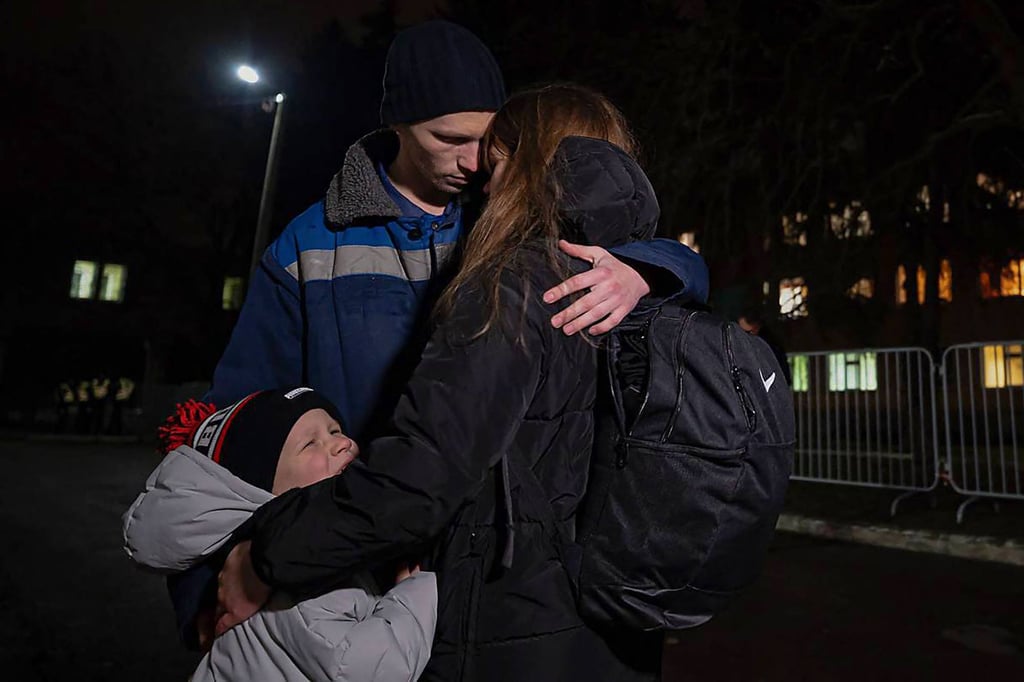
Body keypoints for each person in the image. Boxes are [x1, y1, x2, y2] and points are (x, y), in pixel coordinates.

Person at [214, 84, 677, 681]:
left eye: (497, 160)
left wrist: (267, 555)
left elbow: (421, 478)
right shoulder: (639, 284)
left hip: (511, 624)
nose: (484, 181)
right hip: (616, 623)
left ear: (532, 162)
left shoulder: (514, 282)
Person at [206, 20, 708, 443]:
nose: (474, 162)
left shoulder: (509, 212)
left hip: (481, 531)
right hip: (358, 512)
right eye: (449, 139)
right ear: (396, 125)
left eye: (486, 141)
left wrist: (644, 271)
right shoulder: (311, 240)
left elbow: (654, 245)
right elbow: (246, 399)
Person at [122, 388, 436, 682]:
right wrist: (414, 593)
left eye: (335, 430)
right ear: (262, 491)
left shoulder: (292, 544)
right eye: (310, 444)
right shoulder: (296, 568)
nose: (341, 443)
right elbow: (362, 668)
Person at [738, 305, 792, 384]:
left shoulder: (766, 344)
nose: (740, 335)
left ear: (755, 327)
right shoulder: (766, 340)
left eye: (745, 332)